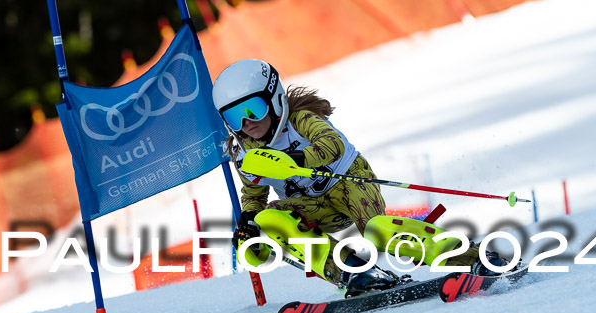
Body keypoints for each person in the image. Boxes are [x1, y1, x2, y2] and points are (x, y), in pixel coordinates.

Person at [212, 59, 509, 296]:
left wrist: (296, 160)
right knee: (269, 218)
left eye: (252, 108)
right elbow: (254, 192)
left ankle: (473, 257)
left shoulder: (300, 121)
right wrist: (248, 221)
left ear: (275, 99)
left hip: (349, 184)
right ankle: (354, 271)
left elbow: (332, 144)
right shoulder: (246, 152)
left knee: (377, 230)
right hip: (314, 206)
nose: (246, 122)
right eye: (233, 116)